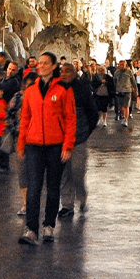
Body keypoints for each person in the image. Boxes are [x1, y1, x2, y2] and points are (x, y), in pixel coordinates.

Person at [15, 52, 75, 245]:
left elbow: (70, 119)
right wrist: (21, 142)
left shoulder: (64, 89)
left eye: (45, 63)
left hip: (55, 145)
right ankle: (31, 229)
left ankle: (48, 225)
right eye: (39, 63)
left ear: (53, 65)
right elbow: (25, 118)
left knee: (52, 187)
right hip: (34, 144)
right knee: (33, 188)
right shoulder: (31, 90)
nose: (40, 66)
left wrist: (68, 145)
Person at [57, 61, 99, 217]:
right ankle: (67, 204)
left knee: (77, 171)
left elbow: (92, 113)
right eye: (63, 71)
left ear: (75, 73)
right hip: (60, 139)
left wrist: (85, 132)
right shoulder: (57, 88)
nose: (65, 74)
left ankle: (82, 198)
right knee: (64, 173)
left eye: (68, 71)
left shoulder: (82, 89)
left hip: (78, 138)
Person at [113, 61, 136, 127]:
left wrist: (135, 90)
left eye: (123, 65)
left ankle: (126, 119)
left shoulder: (129, 72)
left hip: (127, 91)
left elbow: (133, 81)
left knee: (126, 106)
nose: (122, 66)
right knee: (121, 106)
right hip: (119, 91)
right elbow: (114, 81)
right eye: (120, 65)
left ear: (125, 65)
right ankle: (123, 116)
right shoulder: (117, 72)